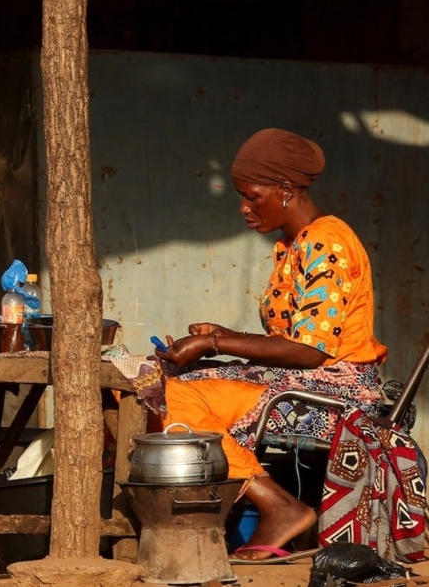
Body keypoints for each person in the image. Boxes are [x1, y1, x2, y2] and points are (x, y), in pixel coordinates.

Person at [154, 128, 388, 561]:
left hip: (335, 395)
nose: (244, 208)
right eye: (241, 197)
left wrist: (215, 342)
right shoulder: (293, 245)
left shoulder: (327, 243)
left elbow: (311, 351)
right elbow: (295, 341)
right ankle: (257, 504)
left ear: (285, 191)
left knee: (171, 396)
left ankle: (277, 506)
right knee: (160, 384)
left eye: (253, 196)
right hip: (304, 380)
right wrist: (218, 336)